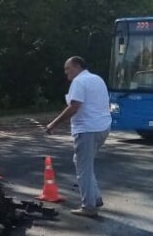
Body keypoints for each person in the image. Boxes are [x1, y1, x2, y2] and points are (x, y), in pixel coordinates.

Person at [45, 56, 112, 218]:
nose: (66, 72)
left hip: (87, 129)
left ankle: (89, 206)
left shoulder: (79, 82)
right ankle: (94, 198)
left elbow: (74, 106)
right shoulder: (97, 79)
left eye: (67, 68)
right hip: (103, 127)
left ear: (77, 65)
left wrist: (53, 124)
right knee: (84, 164)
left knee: (83, 168)